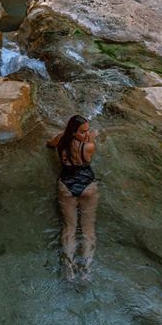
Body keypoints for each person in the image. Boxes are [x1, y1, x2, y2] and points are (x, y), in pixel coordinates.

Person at [47, 115, 99, 281]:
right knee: (88, 230)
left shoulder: (61, 139)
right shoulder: (89, 145)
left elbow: (50, 144)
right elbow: (88, 157)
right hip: (87, 185)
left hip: (66, 184)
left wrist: (62, 136)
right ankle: (86, 272)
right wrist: (91, 138)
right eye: (83, 131)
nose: (86, 133)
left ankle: (69, 271)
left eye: (87, 131)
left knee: (69, 227)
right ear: (74, 131)